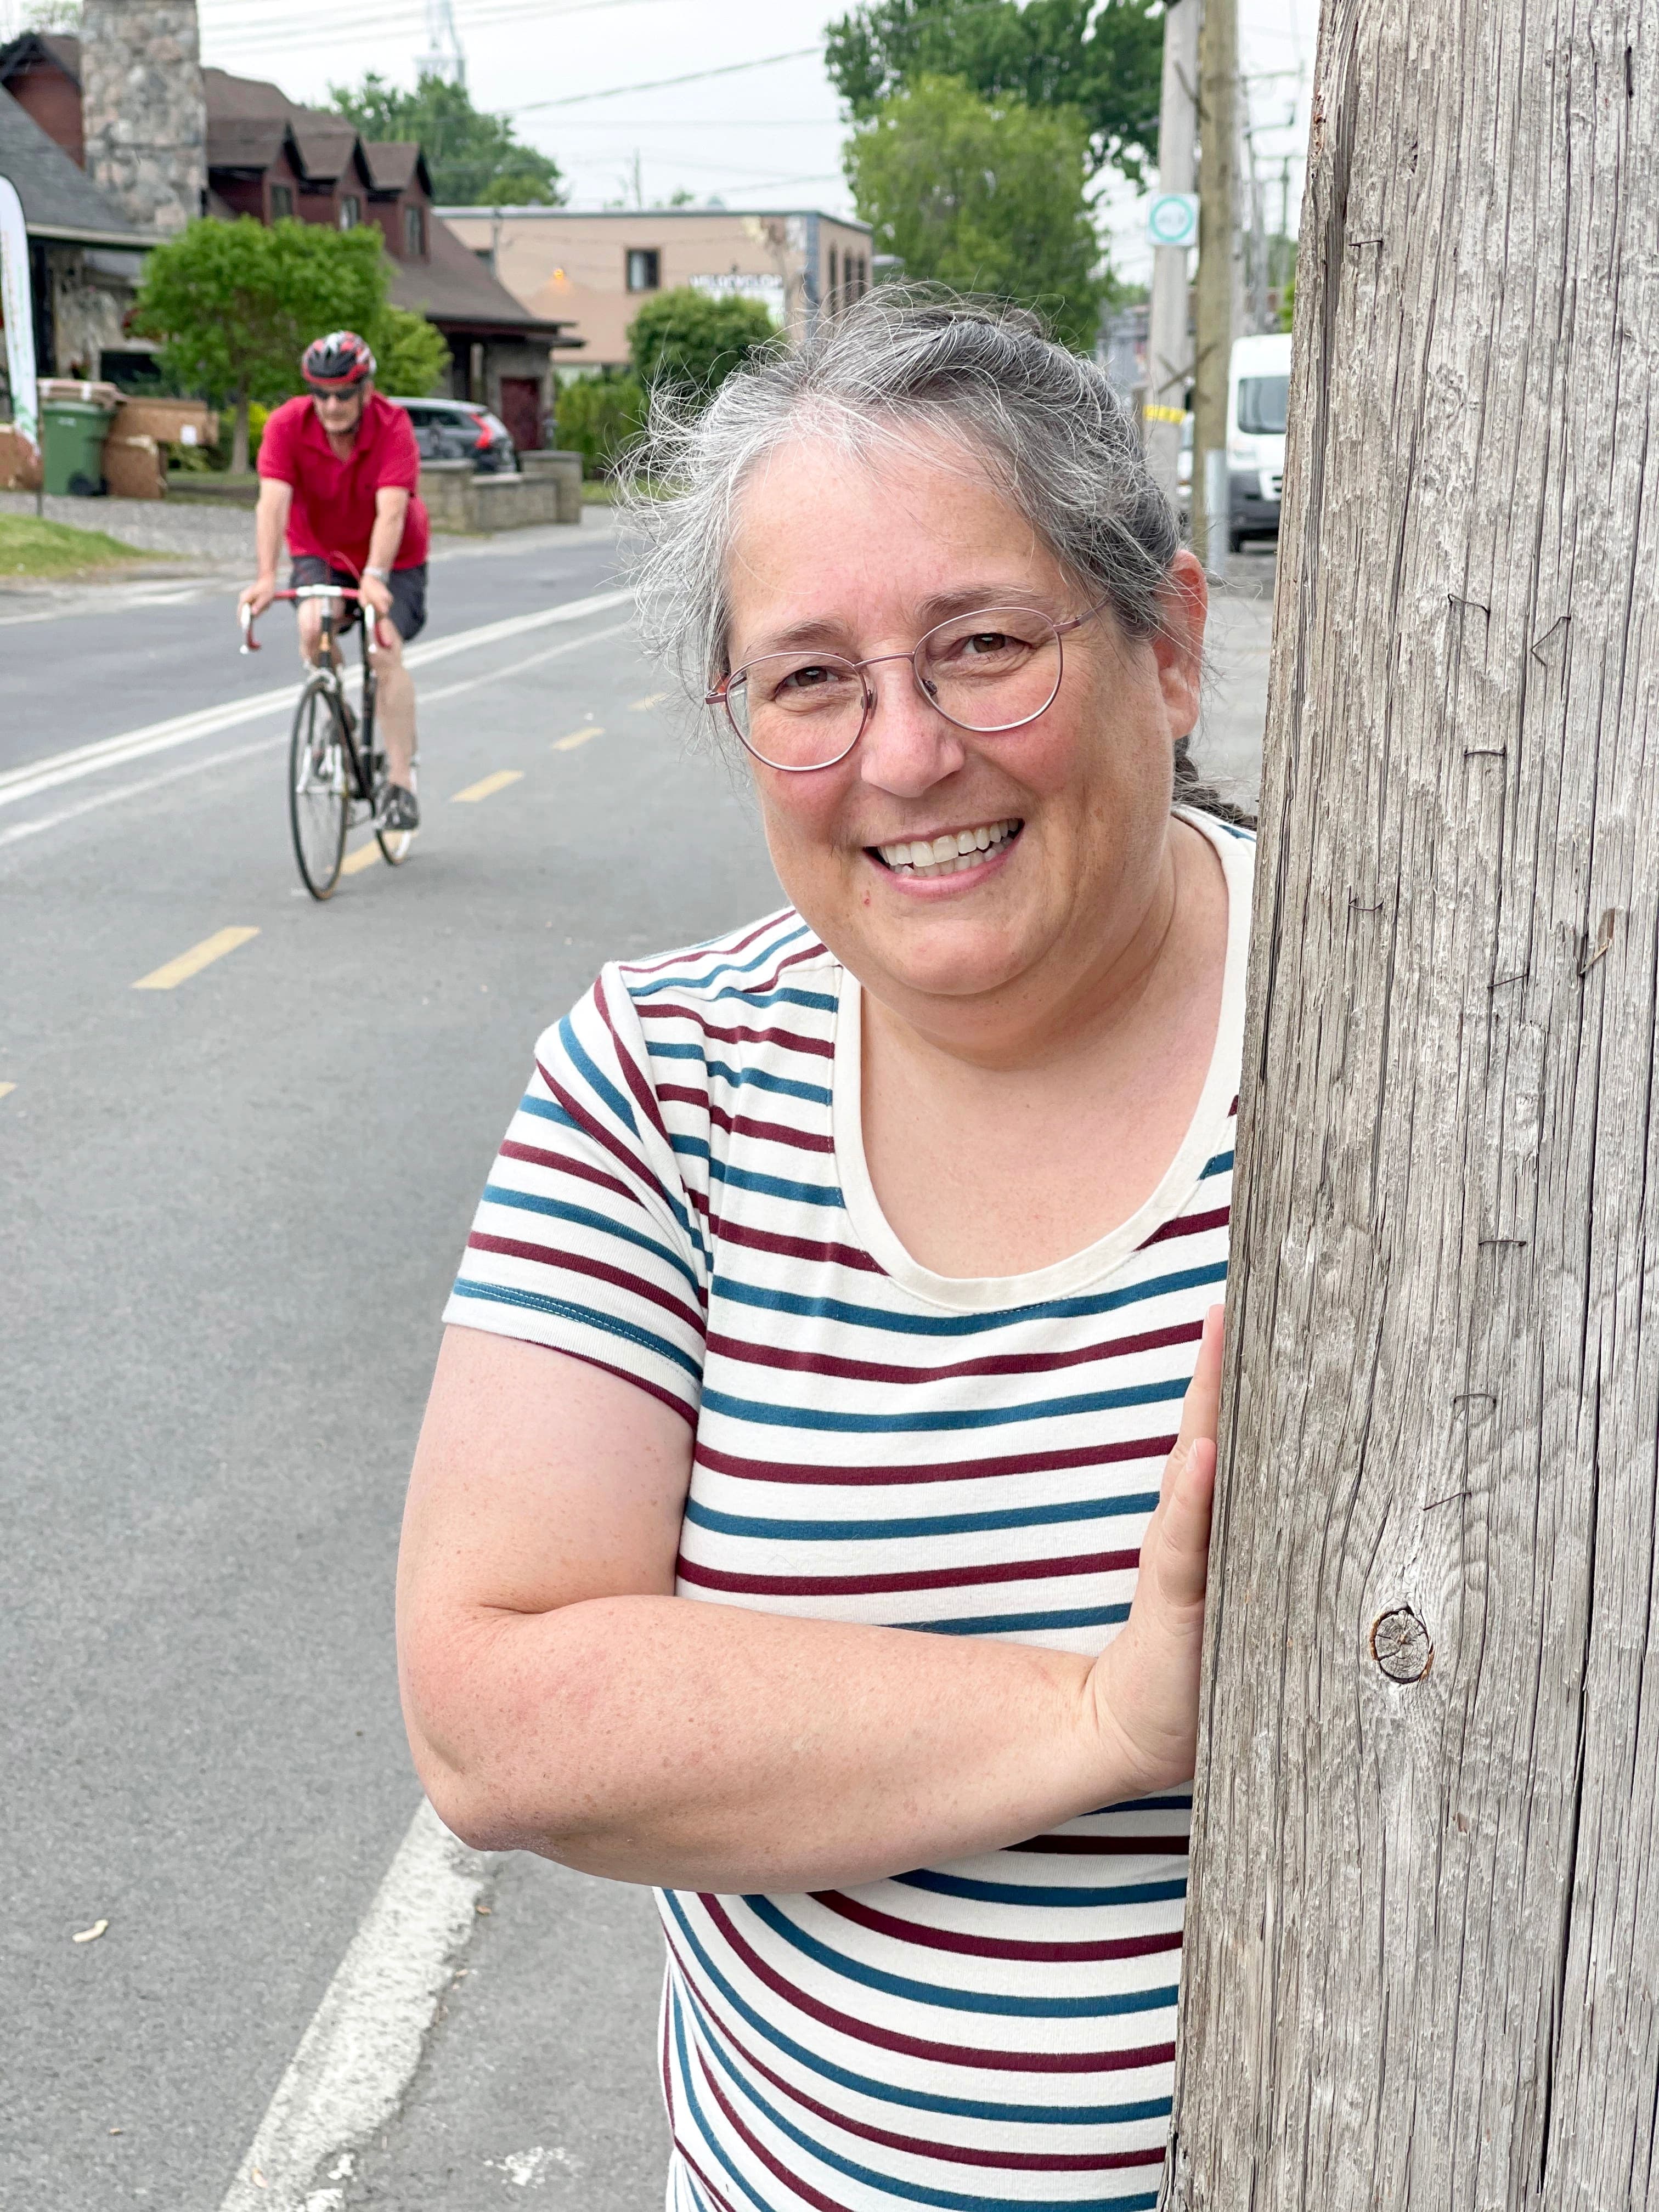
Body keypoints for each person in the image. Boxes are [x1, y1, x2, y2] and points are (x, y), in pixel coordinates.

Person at [397, 290, 1254, 2210]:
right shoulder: (664, 1081)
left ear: (1167, 643)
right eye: (808, 679)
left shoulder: (1408, 1059)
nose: (905, 755)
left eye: (983, 646)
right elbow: (493, 1708)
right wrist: (1102, 1715)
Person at [239, 331, 427, 834]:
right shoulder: (287, 425)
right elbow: (273, 503)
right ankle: (338, 716)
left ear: (366, 389)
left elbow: (392, 511)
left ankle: (401, 782)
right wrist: (264, 576)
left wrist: (376, 576)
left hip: (395, 556)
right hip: (321, 550)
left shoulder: (393, 426)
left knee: (383, 650)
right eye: (321, 393)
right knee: (310, 627)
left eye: (344, 393)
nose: (332, 405)